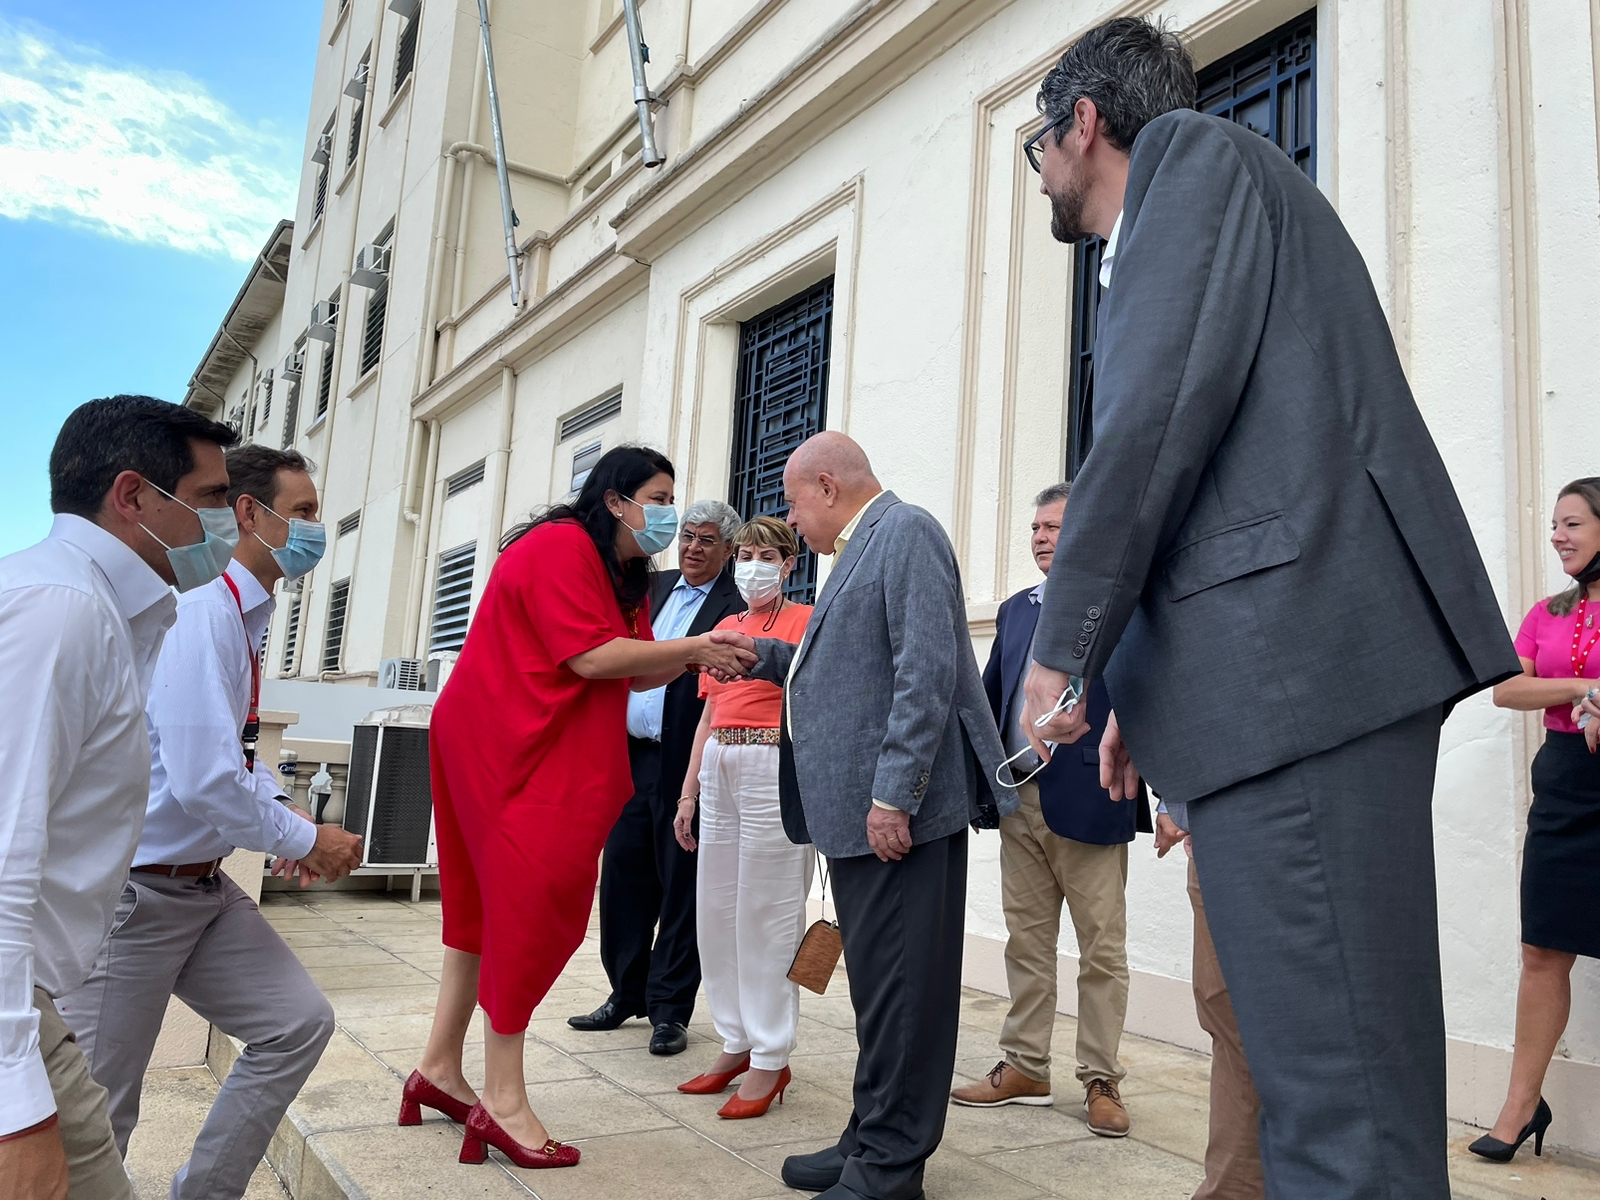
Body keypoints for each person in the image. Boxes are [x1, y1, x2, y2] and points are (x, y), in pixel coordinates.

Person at [1018, 18, 1519, 1200]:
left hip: (1296, 680)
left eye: (1037, 144)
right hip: (1278, 680)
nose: (1038, 170)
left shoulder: (1189, 158)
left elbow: (1152, 426)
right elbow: (1213, 461)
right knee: (1325, 1087)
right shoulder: (1205, 199)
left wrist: (1063, 652)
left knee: (1339, 1109)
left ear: (1083, 122)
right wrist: (1140, 683)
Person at [398, 446, 755, 1171]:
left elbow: (639, 667)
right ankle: (502, 1100)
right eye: (658, 498)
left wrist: (696, 653)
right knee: (528, 906)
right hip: (505, 740)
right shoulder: (560, 545)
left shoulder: (624, 570)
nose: (668, 514)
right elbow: (590, 658)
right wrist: (698, 647)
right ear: (616, 499)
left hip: (526, 737)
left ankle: (437, 1068)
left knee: (482, 913)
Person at [709, 432, 1018, 1200]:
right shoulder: (858, 551)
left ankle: (889, 1168)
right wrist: (763, 657)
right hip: (856, 820)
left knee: (906, 995)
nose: (790, 519)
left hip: (895, 820)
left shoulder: (905, 532)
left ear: (826, 485)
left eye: (792, 502)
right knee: (881, 995)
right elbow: (850, 669)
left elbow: (925, 672)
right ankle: (868, 1138)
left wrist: (893, 797)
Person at [56, 446, 365, 1200]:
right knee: (96, 1123)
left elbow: (231, 754)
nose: (316, 530)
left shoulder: (241, 615)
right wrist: (308, 840)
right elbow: (203, 781)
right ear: (249, 515)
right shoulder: (203, 613)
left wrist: (281, 813)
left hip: (203, 891)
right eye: (303, 512)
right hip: (138, 896)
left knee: (295, 1024)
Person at [0, 395, 236, 1200]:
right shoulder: (62, 612)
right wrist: (18, 1107)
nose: (225, 522)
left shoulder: (95, 609)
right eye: (210, 498)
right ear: (133, 495)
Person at [951, 482, 1149, 1136]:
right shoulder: (1015, 611)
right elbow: (990, 699)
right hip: (1020, 798)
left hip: (1093, 795)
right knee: (1027, 943)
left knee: (1101, 950)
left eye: (1055, 527)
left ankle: (1100, 1078)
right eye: (1036, 527)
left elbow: (1145, 692)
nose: (1040, 537)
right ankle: (1025, 1066)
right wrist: (981, 787)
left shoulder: (1119, 606)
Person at [570, 499, 745, 1056]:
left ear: (728, 550)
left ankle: (669, 1010)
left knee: (681, 884)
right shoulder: (651, 587)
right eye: (688, 535)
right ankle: (626, 992)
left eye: (707, 539)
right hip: (627, 757)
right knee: (623, 877)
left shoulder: (735, 606)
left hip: (685, 762)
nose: (693, 547)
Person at [1472, 477, 1600, 1162]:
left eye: (1572, 523)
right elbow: (1506, 687)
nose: (1557, 536)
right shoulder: (1546, 613)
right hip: (1564, 786)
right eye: (1554, 524)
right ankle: (1522, 1106)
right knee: (1542, 950)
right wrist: (1586, 687)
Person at [672, 516, 815, 1118]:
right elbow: (707, 716)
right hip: (720, 764)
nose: (754, 566)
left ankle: (771, 1055)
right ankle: (735, 1038)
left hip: (771, 763)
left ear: (788, 565)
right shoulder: (725, 626)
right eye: (746, 555)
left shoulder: (807, 620)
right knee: (717, 910)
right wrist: (688, 794)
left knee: (767, 913)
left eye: (767, 556)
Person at [1155, 805, 1264, 1200]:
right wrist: (1173, 802)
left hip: (1282, 836)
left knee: (1244, 1025)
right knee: (1229, 1020)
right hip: (1218, 839)